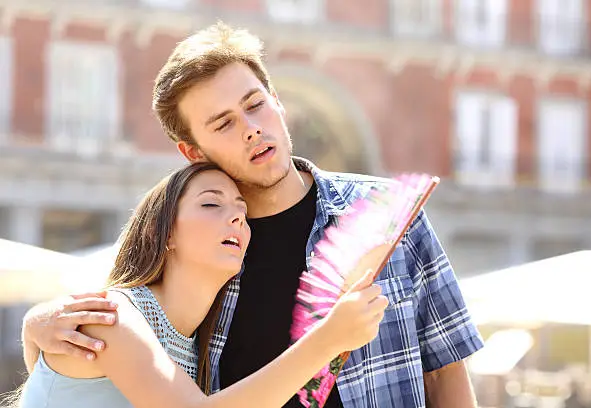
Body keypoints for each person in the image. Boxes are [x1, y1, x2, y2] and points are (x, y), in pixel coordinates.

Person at [20, 22, 484, 408]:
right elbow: (121, 318)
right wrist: (40, 323)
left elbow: (447, 372)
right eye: (223, 123)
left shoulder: (388, 214)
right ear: (192, 151)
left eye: (255, 104)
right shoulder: (205, 252)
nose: (252, 129)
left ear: (277, 100)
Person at [10, 162, 387, 408]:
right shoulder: (111, 316)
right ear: (163, 231)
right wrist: (329, 340)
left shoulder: (200, 349)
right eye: (212, 205)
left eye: (242, 211)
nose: (237, 219)